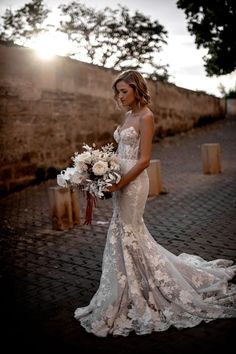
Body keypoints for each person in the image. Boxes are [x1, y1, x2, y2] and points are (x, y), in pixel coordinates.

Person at [74, 70, 236, 337]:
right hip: (119, 179)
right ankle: (128, 281)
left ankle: (141, 285)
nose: (120, 96)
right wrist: (103, 172)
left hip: (134, 182)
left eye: (124, 91)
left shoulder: (147, 117)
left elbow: (144, 160)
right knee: (122, 230)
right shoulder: (128, 115)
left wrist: (121, 182)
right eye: (118, 92)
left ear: (137, 89)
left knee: (129, 231)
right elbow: (121, 152)